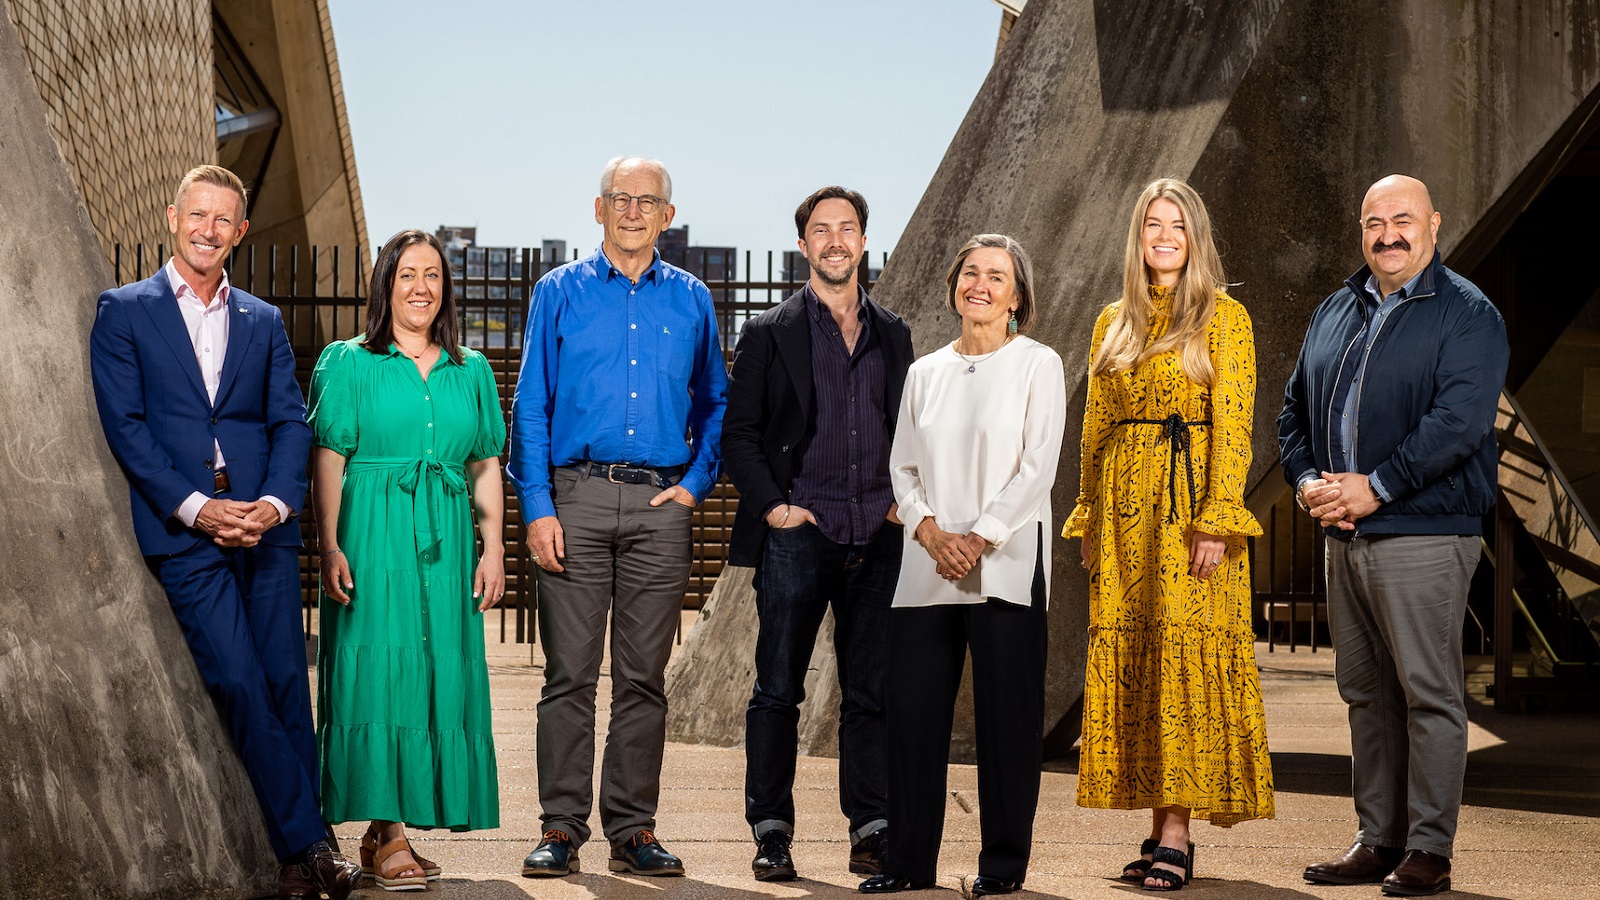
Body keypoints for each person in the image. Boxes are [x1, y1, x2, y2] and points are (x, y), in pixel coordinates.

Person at [89, 164, 360, 900]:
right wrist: (197, 508)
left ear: (239, 233)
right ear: (172, 216)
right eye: (197, 215)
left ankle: (300, 864)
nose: (209, 230)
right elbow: (127, 429)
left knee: (283, 685)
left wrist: (273, 504)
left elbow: (287, 423)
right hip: (185, 534)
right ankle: (312, 842)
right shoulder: (124, 311)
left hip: (263, 530)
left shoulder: (262, 321)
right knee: (238, 680)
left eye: (223, 221)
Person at [1279, 174, 1508, 897]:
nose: (1388, 234)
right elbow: (1292, 412)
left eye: (1402, 219)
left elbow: (1459, 424)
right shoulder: (1336, 309)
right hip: (1342, 533)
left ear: (1434, 224)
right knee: (1365, 694)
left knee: (1427, 693)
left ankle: (1429, 850)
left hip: (1424, 530)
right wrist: (1309, 481)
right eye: (1374, 222)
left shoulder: (1468, 314)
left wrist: (1374, 487)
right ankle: (1376, 838)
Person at [509, 156, 729, 879]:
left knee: (643, 678)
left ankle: (633, 829)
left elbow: (716, 404)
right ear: (598, 210)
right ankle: (561, 828)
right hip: (574, 498)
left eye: (648, 201)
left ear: (668, 216)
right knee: (570, 675)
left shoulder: (693, 300)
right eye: (620, 198)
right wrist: (537, 506)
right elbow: (530, 403)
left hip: (661, 505)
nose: (633, 210)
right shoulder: (559, 292)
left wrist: (696, 485)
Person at [1064, 177, 1274, 892]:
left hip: (1188, 516)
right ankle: (1158, 827)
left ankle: (1179, 833)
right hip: (1125, 519)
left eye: (1176, 225)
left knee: (1183, 658)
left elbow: (1236, 426)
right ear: (1138, 235)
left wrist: (1218, 517)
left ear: (1195, 238)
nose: (1163, 235)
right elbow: (1094, 429)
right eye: (1153, 224)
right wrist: (1090, 514)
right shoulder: (1110, 322)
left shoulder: (1227, 318)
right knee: (1146, 663)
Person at [861, 234, 1065, 897]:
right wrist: (928, 531)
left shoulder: (1039, 365)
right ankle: (908, 863)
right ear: (955, 284)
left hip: (1005, 569)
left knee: (1007, 726)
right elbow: (903, 467)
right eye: (970, 272)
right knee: (913, 720)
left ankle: (1002, 868)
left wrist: (977, 539)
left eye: (996, 276)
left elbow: (1038, 467)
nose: (980, 284)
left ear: (1017, 296)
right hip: (926, 571)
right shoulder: (926, 372)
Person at [307, 229, 506, 892]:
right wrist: (331, 544)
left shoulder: (470, 369)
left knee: (427, 673)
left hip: (446, 543)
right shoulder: (349, 362)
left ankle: (386, 833)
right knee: (377, 672)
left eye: (432, 275)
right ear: (385, 284)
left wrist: (494, 547)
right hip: (371, 534)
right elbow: (329, 459)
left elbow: (483, 464)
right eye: (406, 274)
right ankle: (388, 831)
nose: (421, 287)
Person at [723, 186, 912, 882]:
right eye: (822, 230)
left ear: (863, 241)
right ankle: (771, 830)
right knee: (777, 690)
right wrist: (775, 509)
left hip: (877, 537)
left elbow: (908, 431)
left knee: (871, 694)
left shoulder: (894, 331)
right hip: (799, 535)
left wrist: (901, 501)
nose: (836, 241)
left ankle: (872, 829)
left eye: (849, 228)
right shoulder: (771, 332)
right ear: (802, 245)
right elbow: (739, 434)